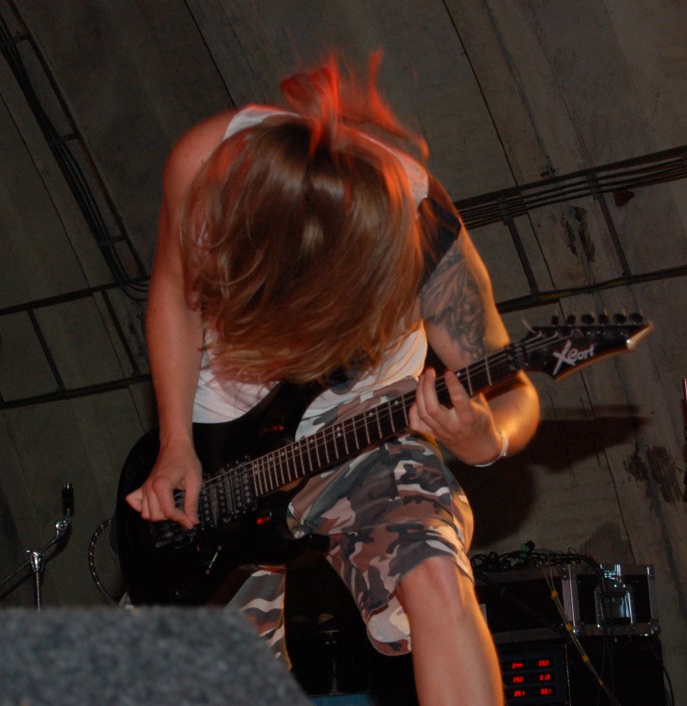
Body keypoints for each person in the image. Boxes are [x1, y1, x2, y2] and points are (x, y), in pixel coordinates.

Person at [125, 55, 540, 706]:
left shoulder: (423, 236)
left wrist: (483, 439)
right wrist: (176, 440)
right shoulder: (205, 166)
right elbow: (176, 294)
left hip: (361, 423)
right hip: (221, 445)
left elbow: (516, 392)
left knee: (432, 572)